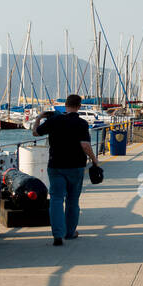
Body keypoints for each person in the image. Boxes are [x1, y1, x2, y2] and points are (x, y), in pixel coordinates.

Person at [32, 94, 100, 246]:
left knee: (56, 199)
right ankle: (70, 233)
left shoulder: (53, 120)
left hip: (55, 165)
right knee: (72, 199)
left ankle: (57, 235)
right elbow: (85, 145)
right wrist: (95, 161)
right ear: (79, 106)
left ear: (66, 105)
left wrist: (39, 117)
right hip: (76, 166)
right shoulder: (82, 123)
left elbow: (35, 132)